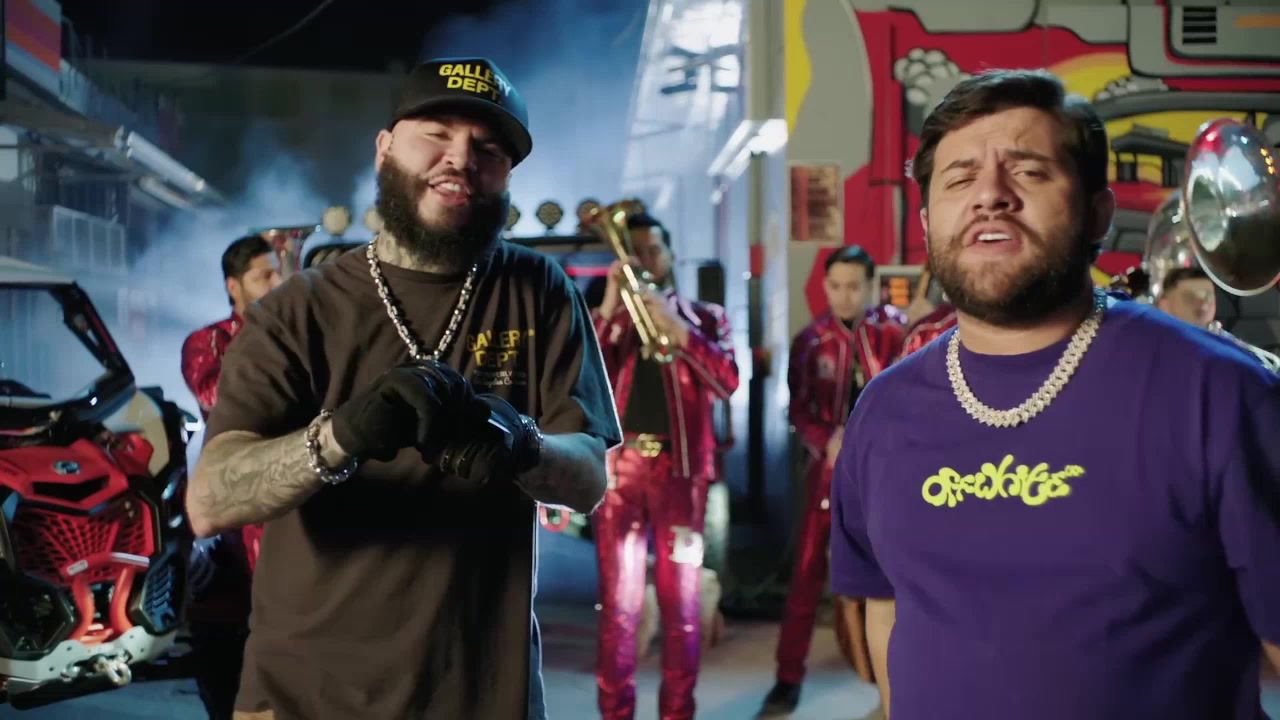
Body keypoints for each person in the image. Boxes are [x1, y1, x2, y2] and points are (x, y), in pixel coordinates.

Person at [828, 68, 1280, 720]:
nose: (991, 196)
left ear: (1098, 211)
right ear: (927, 222)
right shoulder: (883, 412)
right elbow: (888, 608)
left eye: (1029, 171)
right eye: (959, 178)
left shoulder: (1223, 396)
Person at [185, 57, 622, 720]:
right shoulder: (297, 310)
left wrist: (522, 445)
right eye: (436, 135)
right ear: (385, 148)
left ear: (507, 174)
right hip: (305, 698)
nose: (461, 159)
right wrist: (341, 436)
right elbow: (211, 500)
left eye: (488, 148)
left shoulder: (539, 291)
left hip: (485, 696)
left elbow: (589, 479)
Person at [591, 210, 738, 720]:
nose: (645, 260)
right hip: (622, 471)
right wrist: (611, 306)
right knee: (619, 606)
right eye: (634, 252)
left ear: (671, 255)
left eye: (653, 250)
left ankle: (678, 712)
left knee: (682, 606)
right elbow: (584, 376)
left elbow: (727, 382)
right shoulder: (612, 321)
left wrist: (678, 330)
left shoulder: (706, 317)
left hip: (682, 472)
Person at [759, 245, 902, 717]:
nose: (845, 296)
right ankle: (787, 678)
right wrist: (825, 439)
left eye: (854, 286)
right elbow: (798, 408)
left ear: (870, 285)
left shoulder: (895, 331)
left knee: (893, 578)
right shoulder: (810, 340)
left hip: (885, 475)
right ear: (824, 285)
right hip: (826, 473)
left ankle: (896, 684)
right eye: (836, 286)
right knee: (805, 575)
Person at [179, 233, 282, 720]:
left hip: (286, 503)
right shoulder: (210, 341)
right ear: (233, 285)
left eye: (279, 273)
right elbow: (222, 399)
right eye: (265, 275)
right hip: (232, 513)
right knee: (227, 637)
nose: (277, 283)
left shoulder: (296, 331)